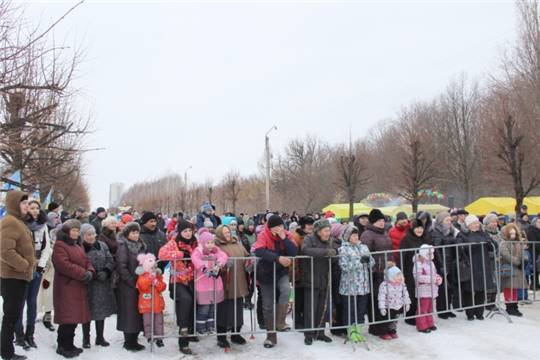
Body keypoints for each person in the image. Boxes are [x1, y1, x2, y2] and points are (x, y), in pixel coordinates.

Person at [52, 219, 95, 358]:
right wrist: (83, 274)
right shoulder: (60, 245)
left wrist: (90, 270)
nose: (76, 233)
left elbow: (86, 261)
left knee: (74, 318)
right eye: (74, 230)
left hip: (78, 286)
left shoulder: (78, 246)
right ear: (67, 231)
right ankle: (62, 345)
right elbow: (64, 265)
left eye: (78, 230)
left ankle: (69, 344)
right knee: (67, 318)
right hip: (67, 287)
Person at [253, 214, 298, 348]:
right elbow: (259, 251)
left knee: (286, 289)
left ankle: (280, 322)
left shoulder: (287, 235)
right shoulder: (263, 234)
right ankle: (271, 336)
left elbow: (293, 252)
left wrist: (284, 239)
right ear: (269, 227)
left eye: (280, 226)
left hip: (281, 272)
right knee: (267, 304)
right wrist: (278, 258)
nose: (278, 229)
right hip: (266, 273)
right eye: (275, 227)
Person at [0, 190, 35, 360]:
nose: (27, 207)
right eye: (24, 203)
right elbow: (5, 250)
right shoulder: (10, 222)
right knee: (10, 316)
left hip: (19, 277)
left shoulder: (18, 222)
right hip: (12, 277)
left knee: (13, 316)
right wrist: (24, 265)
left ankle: (6, 350)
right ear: (14, 204)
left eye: (27, 203)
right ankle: (6, 353)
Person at [13, 200, 51, 349]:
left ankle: (30, 334)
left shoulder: (44, 225)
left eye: (37, 208)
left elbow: (46, 247)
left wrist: (41, 266)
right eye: (32, 208)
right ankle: (19, 335)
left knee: (32, 302)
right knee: (20, 302)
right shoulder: (20, 224)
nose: (35, 211)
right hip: (23, 268)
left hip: (37, 267)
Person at [158, 219, 198, 355]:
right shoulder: (174, 242)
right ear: (180, 232)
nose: (187, 233)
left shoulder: (195, 242)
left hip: (193, 280)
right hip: (178, 281)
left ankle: (190, 331)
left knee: (193, 304)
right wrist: (181, 254)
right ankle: (183, 340)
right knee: (185, 301)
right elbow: (161, 254)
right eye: (185, 231)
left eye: (190, 231)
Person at [301, 219, 338, 345]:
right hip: (311, 278)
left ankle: (320, 332)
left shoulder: (330, 241)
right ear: (318, 231)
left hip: (325, 278)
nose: (328, 233)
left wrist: (334, 255)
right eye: (326, 230)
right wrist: (325, 252)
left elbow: (334, 254)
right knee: (310, 308)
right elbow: (305, 250)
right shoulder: (309, 239)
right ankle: (309, 334)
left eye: (329, 230)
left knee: (323, 307)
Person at [80, 224, 115, 349]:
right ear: (82, 236)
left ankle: (100, 337)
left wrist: (106, 271)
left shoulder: (102, 245)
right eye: (88, 235)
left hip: (101, 284)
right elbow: (78, 263)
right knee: (87, 312)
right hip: (87, 284)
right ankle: (86, 338)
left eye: (93, 234)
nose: (91, 237)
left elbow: (110, 260)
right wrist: (87, 274)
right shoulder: (80, 248)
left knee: (101, 311)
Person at [215, 225, 250, 348]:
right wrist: (223, 266)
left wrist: (250, 261)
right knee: (224, 310)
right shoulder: (217, 246)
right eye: (225, 233)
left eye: (228, 232)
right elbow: (214, 262)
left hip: (239, 279)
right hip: (226, 281)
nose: (228, 235)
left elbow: (246, 255)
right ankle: (221, 336)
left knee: (238, 308)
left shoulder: (237, 243)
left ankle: (236, 334)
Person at [360, 209, 393, 337]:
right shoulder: (367, 234)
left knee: (386, 299)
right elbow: (365, 254)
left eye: (383, 220)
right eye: (379, 221)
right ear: (373, 222)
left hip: (387, 271)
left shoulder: (384, 233)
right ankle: (377, 328)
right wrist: (374, 269)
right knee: (376, 300)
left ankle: (386, 326)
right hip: (376, 272)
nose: (381, 223)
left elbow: (389, 250)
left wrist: (392, 264)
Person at [456, 215, 494, 321]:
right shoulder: (462, 234)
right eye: (474, 223)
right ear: (468, 225)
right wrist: (471, 245)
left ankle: (479, 312)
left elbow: (492, 246)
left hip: (483, 265)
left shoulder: (483, 233)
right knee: (469, 290)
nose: (477, 225)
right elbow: (460, 248)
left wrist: (489, 242)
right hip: (470, 265)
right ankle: (469, 313)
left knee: (481, 290)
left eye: (477, 223)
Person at [116, 222, 146, 352]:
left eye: (137, 232)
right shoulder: (123, 246)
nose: (135, 235)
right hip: (128, 285)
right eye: (133, 232)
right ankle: (129, 341)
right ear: (127, 234)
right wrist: (131, 281)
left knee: (137, 311)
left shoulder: (141, 246)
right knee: (129, 312)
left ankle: (134, 338)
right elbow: (121, 266)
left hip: (140, 283)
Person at [191, 231, 228, 336]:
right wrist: (203, 267)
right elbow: (195, 259)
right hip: (203, 283)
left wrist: (219, 264)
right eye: (208, 243)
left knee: (212, 307)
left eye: (212, 242)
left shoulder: (216, 251)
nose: (210, 245)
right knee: (204, 307)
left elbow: (224, 256)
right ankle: (200, 326)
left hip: (215, 283)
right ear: (202, 243)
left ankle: (210, 325)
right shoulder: (198, 251)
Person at [338, 225, 374, 327]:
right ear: (347, 237)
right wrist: (360, 262)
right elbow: (344, 266)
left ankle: (359, 329)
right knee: (350, 310)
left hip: (363, 285)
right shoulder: (343, 249)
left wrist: (368, 261)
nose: (355, 237)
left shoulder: (364, 247)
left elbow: (371, 262)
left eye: (356, 235)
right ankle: (350, 330)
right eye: (353, 235)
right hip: (349, 286)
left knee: (361, 310)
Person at [398, 219, 432, 325]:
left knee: (422, 292)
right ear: (412, 228)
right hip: (410, 270)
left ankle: (421, 314)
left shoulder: (426, 238)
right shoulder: (406, 239)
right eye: (417, 228)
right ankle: (410, 316)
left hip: (424, 271)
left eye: (421, 228)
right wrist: (401, 271)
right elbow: (401, 256)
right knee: (412, 293)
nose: (419, 230)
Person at [135, 253, 166, 347]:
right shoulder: (142, 276)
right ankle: (149, 336)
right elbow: (142, 286)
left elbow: (162, 287)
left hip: (157, 303)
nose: (152, 269)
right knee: (148, 321)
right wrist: (149, 279)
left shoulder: (158, 276)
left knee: (159, 321)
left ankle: (159, 338)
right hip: (146, 304)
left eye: (154, 267)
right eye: (150, 268)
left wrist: (156, 281)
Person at [431, 211, 457, 319]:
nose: (449, 222)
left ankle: (448, 308)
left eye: (450, 220)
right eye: (447, 220)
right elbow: (437, 250)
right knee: (442, 288)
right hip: (440, 262)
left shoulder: (451, 231)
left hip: (450, 261)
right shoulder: (436, 232)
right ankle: (442, 310)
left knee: (450, 287)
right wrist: (441, 265)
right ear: (441, 221)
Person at [291, 216, 315, 330]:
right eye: (308, 224)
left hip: (310, 272)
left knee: (307, 298)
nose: (310, 226)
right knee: (299, 298)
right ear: (302, 225)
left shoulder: (312, 236)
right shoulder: (296, 237)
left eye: (312, 224)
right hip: (300, 272)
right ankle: (298, 321)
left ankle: (306, 320)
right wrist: (295, 275)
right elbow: (294, 258)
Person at [38, 212, 60, 332]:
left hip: (57, 275)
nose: (57, 219)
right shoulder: (46, 234)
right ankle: (44, 317)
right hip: (48, 274)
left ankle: (49, 317)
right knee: (46, 297)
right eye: (55, 218)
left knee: (51, 298)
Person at [500, 223, 528, 317]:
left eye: (514, 232)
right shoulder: (504, 243)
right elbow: (506, 255)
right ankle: (509, 307)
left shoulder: (518, 242)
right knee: (508, 288)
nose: (513, 234)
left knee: (515, 288)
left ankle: (515, 306)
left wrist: (524, 260)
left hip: (517, 269)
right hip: (508, 269)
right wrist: (517, 262)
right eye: (511, 232)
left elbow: (522, 253)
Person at [413, 245, 442, 333]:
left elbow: (434, 273)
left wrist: (438, 278)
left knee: (430, 307)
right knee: (423, 308)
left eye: (431, 253)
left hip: (432, 289)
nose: (430, 255)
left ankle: (430, 323)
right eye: (428, 253)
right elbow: (418, 277)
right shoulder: (418, 264)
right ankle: (422, 326)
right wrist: (432, 279)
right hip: (423, 289)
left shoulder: (431, 263)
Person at [377, 266, 411, 340]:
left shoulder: (402, 284)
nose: (400, 277)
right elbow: (381, 297)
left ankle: (392, 331)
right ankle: (383, 332)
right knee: (386, 320)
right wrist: (382, 307)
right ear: (391, 276)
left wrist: (407, 303)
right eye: (397, 275)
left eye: (400, 275)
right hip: (388, 306)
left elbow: (405, 294)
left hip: (397, 305)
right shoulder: (384, 285)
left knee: (394, 320)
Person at [526, 215, 540, 289]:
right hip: (533, 252)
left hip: (537, 252)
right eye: (538, 222)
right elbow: (534, 241)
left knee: (537, 269)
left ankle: (537, 284)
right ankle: (534, 285)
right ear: (534, 223)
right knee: (534, 269)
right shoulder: (531, 230)